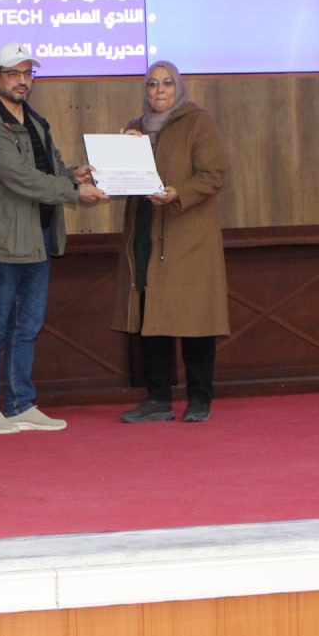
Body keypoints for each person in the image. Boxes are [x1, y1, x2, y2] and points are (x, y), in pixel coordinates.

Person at [0, 42, 108, 434]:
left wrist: (73, 174)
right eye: (13, 73)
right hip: (0, 240)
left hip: (38, 236)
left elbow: (49, 169)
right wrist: (74, 192)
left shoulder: (35, 120)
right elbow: (21, 179)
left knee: (27, 325)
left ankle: (20, 404)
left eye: (28, 73)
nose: (22, 81)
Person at [112, 61, 229, 423]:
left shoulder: (197, 122)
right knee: (151, 317)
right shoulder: (135, 128)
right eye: (152, 84)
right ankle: (158, 399)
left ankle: (199, 399)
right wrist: (117, 157)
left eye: (166, 83)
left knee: (195, 320)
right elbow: (125, 180)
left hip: (188, 235)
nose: (159, 90)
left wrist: (179, 192)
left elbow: (214, 175)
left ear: (178, 88)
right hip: (145, 233)